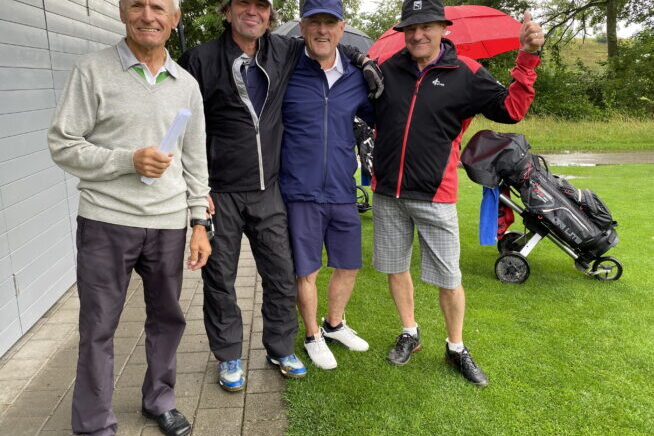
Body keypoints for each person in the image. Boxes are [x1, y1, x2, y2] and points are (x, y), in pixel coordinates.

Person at [178, 0, 382, 390]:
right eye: (243, 3)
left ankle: (280, 347)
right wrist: (194, 191)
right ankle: (228, 354)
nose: (252, 11)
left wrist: (362, 58)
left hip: (269, 189)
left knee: (281, 275)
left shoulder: (283, 51)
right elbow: (181, 123)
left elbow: (325, 39)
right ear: (227, 10)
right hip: (220, 191)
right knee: (220, 280)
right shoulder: (199, 59)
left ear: (270, 14)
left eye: (261, 5)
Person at [47, 0, 211, 435]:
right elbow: (63, 144)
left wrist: (199, 222)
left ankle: (160, 400)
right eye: (137, 4)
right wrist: (127, 160)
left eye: (159, 7)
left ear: (174, 19)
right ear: (122, 13)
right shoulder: (92, 71)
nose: (147, 16)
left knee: (168, 318)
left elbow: (196, 159)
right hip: (106, 220)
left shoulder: (186, 85)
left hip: (168, 223)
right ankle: (93, 423)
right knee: (98, 326)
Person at [372, 0, 544, 386]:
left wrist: (528, 57)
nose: (418, 34)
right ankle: (410, 332)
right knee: (396, 268)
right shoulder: (386, 70)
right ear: (403, 32)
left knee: (449, 277)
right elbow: (367, 113)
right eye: (411, 27)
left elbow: (512, 109)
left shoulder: (465, 72)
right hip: (387, 192)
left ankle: (455, 347)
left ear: (442, 28)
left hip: (435, 193)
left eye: (426, 26)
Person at [279, 0, 373, 370]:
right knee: (307, 270)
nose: (322, 30)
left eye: (329, 22)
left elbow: (383, 115)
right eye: (314, 22)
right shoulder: (287, 70)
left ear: (341, 28)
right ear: (302, 27)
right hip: (299, 191)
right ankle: (312, 335)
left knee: (349, 264)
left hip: (341, 189)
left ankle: (334, 324)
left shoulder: (356, 77)